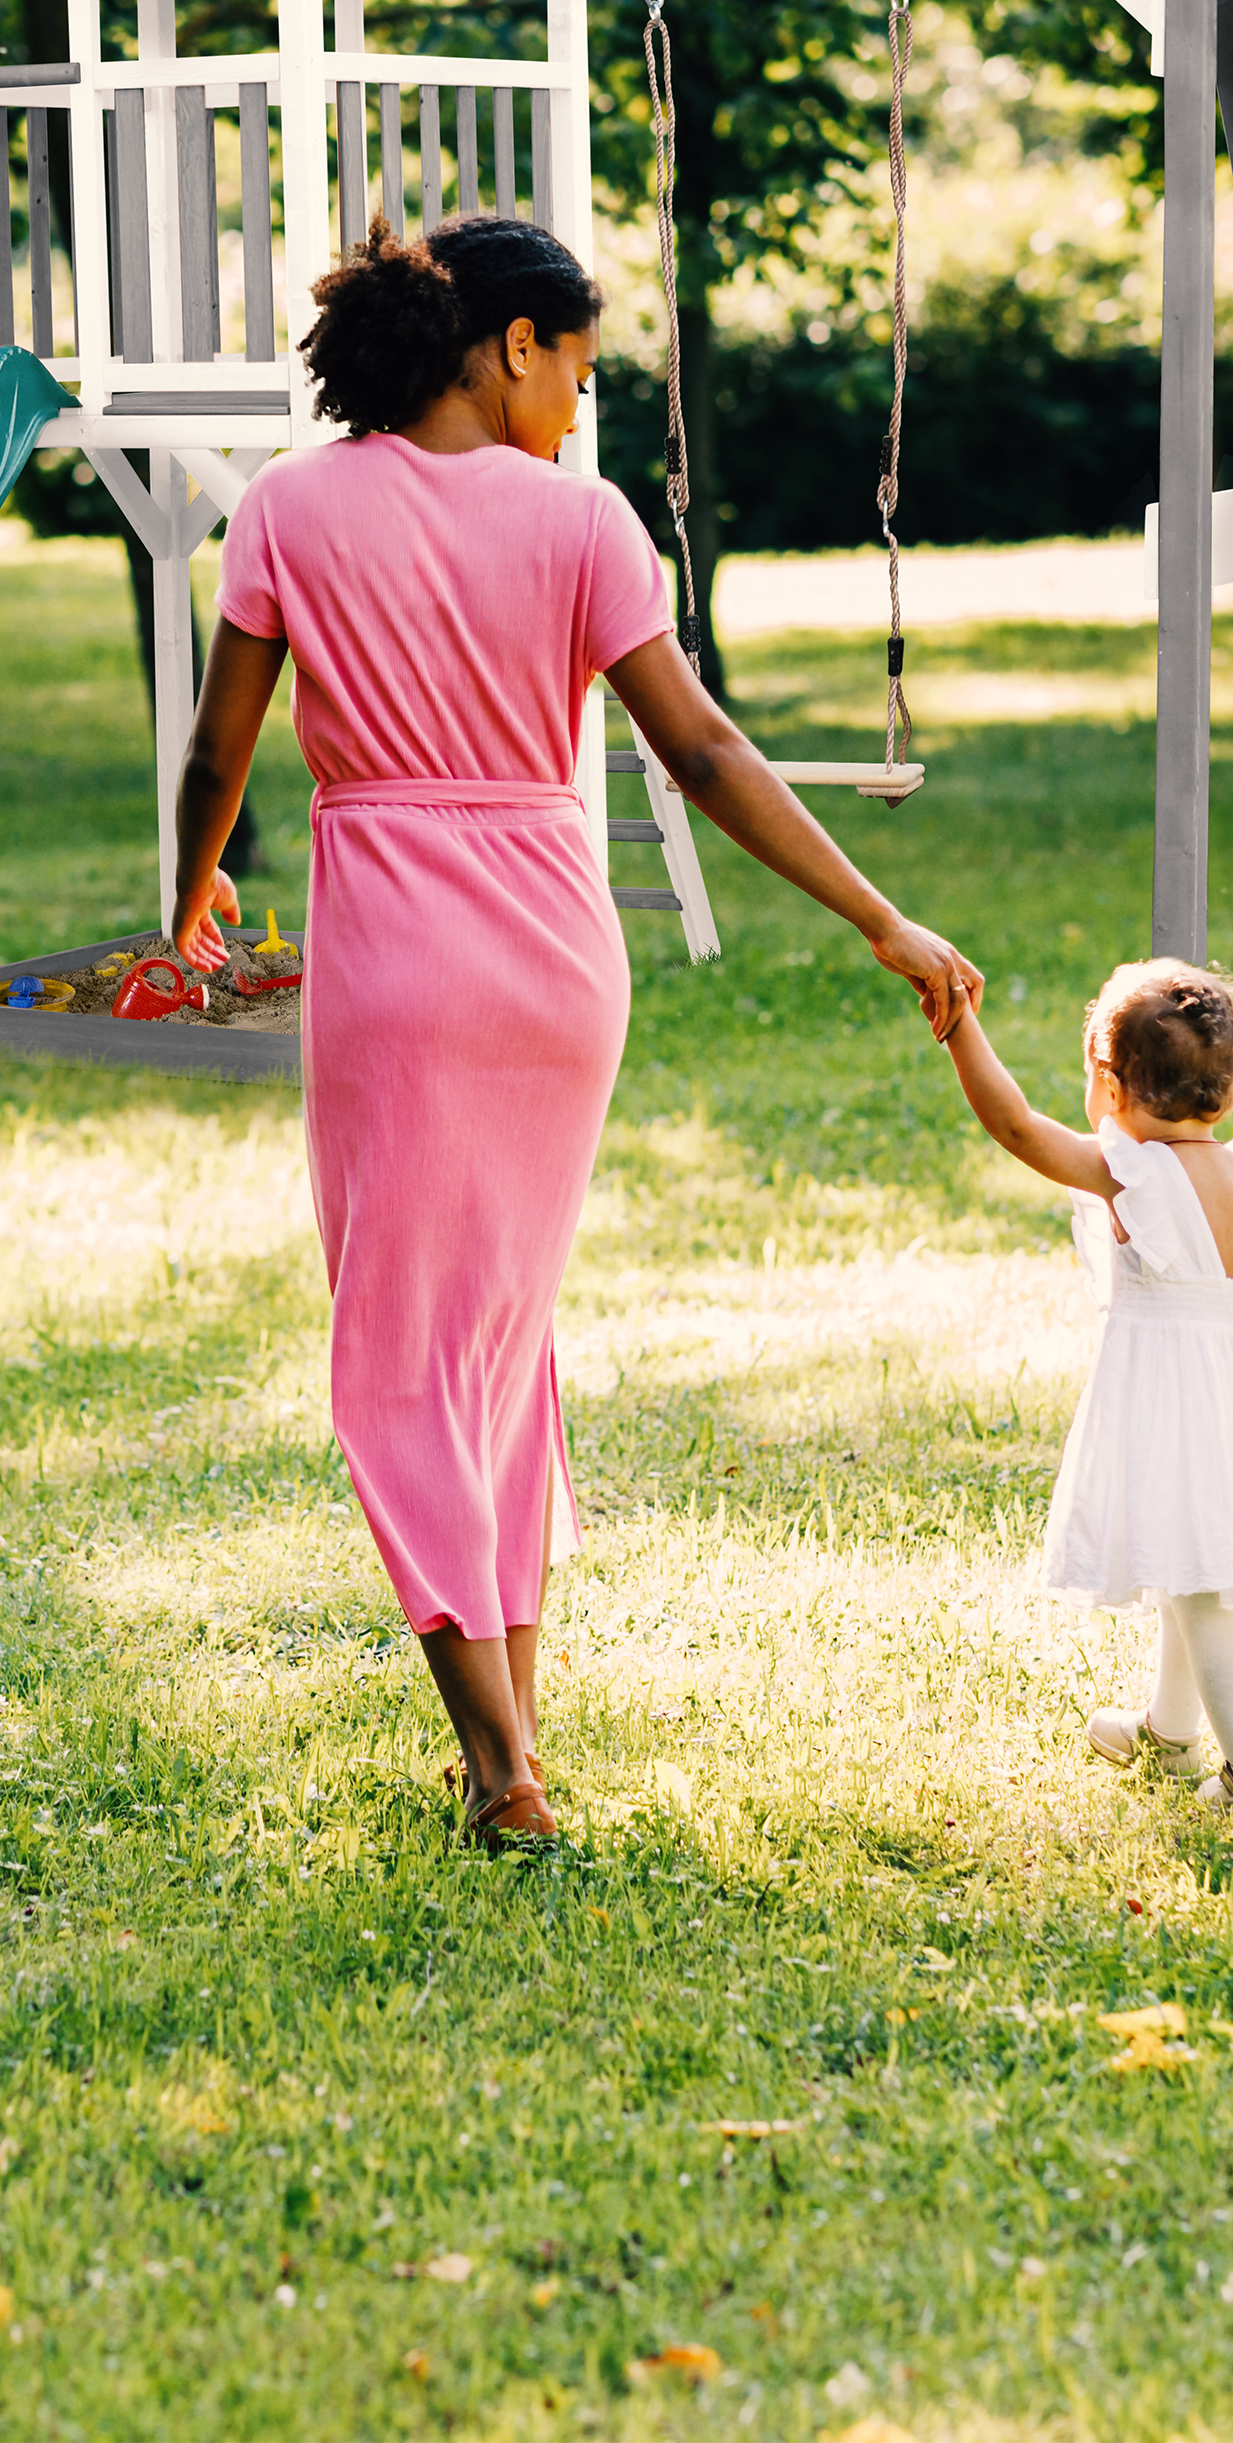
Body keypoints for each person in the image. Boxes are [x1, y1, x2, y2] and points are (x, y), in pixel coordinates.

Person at [168, 215, 982, 1851]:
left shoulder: (288, 509)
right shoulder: (584, 524)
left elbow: (219, 751)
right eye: (581, 371)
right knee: (496, 1344)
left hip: (396, 958)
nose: (580, 408)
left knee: (403, 1358)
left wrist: (184, 901)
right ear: (511, 345)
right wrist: (876, 914)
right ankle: (514, 1734)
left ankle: (497, 1767)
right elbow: (704, 752)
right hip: (553, 960)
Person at [935, 959, 1233, 1814]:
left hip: (1174, 1402)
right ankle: (1168, 1734)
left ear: (1110, 1084)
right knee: (1183, 1557)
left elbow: (1014, 1126)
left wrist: (959, 1025)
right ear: (1229, 1092)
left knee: (1201, 1590)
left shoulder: (1133, 1176)